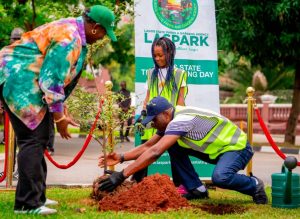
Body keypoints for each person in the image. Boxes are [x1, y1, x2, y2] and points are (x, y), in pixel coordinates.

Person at [0, 5, 117, 215]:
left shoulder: (74, 33)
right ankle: (27, 204)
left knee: (41, 136)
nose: (102, 38)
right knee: (32, 138)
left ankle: (37, 196)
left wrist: (62, 111)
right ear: (95, 27)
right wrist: (59, 116)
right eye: (103, 32)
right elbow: (51, 79)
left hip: (28, 81)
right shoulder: (69, 38)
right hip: (17, 79)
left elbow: (60, 80)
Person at [98, 96, 268, 205]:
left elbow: (155, 151)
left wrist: (122, 175)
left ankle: (254, 185)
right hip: (218, 150)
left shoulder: (181, 120)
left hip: (237, 148)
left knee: (220, 177)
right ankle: (197, 189)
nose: (153, 124)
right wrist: (121, 157)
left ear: (165, 114)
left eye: (154, 120)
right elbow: (149, 146)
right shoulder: (172, 120)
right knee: (172, 144)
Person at [133, 36, 188, 183]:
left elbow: (181, 100)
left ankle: (180, 186)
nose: (157, 58)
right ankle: (137, 183)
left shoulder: (179, 74)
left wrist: (179, 120)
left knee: (176, 153)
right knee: (145, 149)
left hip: (171, 120)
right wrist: (142, 115)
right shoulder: (151, 73)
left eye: (160, 55)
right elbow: (148, 96)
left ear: (169, 53)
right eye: (155, 55)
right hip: (152, 119)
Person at [0, 27, 25, 180]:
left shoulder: (26, 55)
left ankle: (18, 171)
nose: (15, 42)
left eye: (18, 39)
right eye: (14, 39)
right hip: (10, 103)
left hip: (22, 104)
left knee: (23, 141)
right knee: (10, 140)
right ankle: (10, 170)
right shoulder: (5, 53)